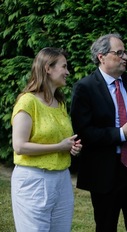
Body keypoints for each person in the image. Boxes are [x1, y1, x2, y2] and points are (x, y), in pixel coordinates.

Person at [70, 33, 127, 232]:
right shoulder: (85, 87)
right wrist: (121, 134)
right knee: (106, 225)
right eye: (119, 52)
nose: (125, 57)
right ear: (102, 57)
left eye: (125, 52)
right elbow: (84, 133)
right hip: (105, 170)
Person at [11, 47, 82, 232]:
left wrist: (70, 147)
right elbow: (19, 146)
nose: (67, 72)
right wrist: (59, 146)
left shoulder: (60, 103)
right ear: (47, 68)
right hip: (33, 180)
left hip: (61, 179)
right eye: (63, 66)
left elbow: (61, 140)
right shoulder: (27, 101)